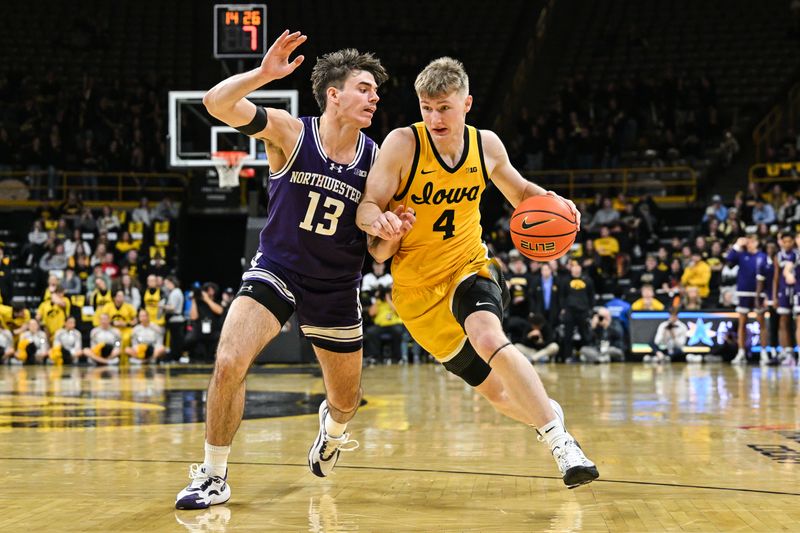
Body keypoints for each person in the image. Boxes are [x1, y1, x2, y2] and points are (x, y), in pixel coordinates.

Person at [176, 31, 398, 510]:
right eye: (364, 88)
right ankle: (213, 475)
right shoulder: (291, 132)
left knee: (346, 400)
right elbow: (216, 103)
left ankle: (332, 432)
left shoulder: (379, 159)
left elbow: (379, 254)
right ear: (334, 94)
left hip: (337, 285)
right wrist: (262, 74)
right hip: (277, 268)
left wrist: (392, 231)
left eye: (376, 92)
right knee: (230, 360)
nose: (374, 97)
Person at [356, 57, 598, 488]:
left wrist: (555, 202)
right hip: (416, 291)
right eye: (426, 108)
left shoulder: (485, 145)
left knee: (488, 335)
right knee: (497, 393)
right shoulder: (401, 144)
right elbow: (370, 216)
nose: (434, 117)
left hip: (469, 263)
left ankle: (562, 445)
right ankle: (548, 413)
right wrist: (383, 223)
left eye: (444, 107)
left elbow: (521, 191)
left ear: (466, 103)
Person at [726, 235, 765, 365]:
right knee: (742, 323)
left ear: (757, 242)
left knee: (761, 323)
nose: (749, 244)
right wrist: (737, 244)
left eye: (753, 241)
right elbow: (729, 259)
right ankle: (741, 352)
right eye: (748, 241)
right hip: (743, 292)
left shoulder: (762, 256)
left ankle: (764, 352)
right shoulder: (742, 255)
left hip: (759, 294)